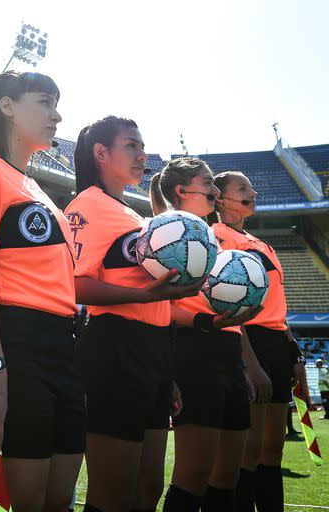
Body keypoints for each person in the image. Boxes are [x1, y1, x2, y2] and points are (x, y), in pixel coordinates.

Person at [0, 71, 84, 511]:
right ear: (7, 106)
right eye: (45, 101)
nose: (57, 115)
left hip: (63, 344)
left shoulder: (38, 189)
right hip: (18, 345)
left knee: (59, 501)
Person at [65, 116, 201, 512]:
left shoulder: (135, 215)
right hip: (115, 349)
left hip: (154, 352)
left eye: (142, 147)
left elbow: (155, 299)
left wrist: (167, 371)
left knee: (148, 487)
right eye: (132, 146)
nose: (143, 155)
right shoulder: (87, 205)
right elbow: (75, 284)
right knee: (114, 492)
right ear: (101, 153)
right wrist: (145, 294)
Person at [148, 158, 261, 512]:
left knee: (227, 476)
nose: (215, 191)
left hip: (227, 355)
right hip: (193, 356)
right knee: (193, 475)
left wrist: (244, 363)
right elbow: (156, 306)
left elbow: (231, 317)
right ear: (182, 191)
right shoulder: (160, 234)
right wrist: (203, 324)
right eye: (208, 184)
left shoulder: (216, 237)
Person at [212, 171, 306, 512]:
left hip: (277, 344)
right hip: (250, 342)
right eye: (243, 188)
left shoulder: (260, 242)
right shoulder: (218, 237)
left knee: (272, 451)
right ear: (220, 199)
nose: (253, 191)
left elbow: (278, 306)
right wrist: (249, 363)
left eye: (251, 186)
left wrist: (293, 351)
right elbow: (228, 306)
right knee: (247, 454)